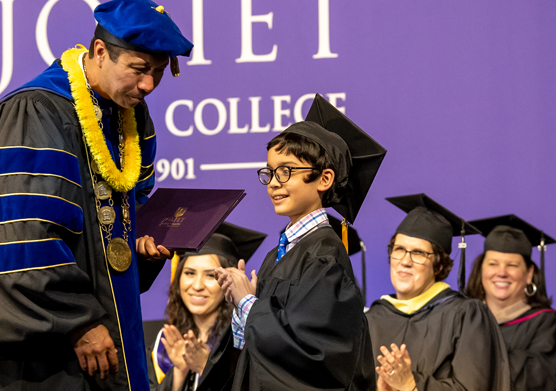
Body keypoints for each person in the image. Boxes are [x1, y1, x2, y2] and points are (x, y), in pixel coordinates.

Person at [0, 0, 193, 390]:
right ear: (100, 51)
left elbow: (121, 218)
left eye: (157, 71)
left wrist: (141, 246)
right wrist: (79, 321)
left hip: (112, 327)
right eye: (139, 69)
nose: (149, 84)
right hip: (47, 347)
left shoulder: (129, 117)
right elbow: (22, 238)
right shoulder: (37, 113)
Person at [199, 94, 387, 391]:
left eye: (286, 171)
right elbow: (257, 355)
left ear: (324, 179)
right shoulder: (279, 254)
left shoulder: (324, 257)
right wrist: (240, 311)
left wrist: (248, 303)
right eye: (270, 172)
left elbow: (315, 357)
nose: (274, 182)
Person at [365, 194, 511, 391]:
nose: (405, 261)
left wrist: (410, 385)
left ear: (438, 265)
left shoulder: (466, 316)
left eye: (418, 253)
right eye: (399, 249)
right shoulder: (373, 318)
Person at [148, 223, 266, 391]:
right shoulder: (161, 341)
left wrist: (205, 366)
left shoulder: (245, 340)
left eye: (210, 275)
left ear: (228, 281)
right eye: (189, 273)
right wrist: (179, 372)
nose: (197, 285)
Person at [465, 214, 556, 390]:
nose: (501, 272)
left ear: (529, 274)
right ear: (481, 269)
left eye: (512, 265)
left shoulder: (548, 324)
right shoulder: (465, 319)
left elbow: (543, 377)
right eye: (493, 264)